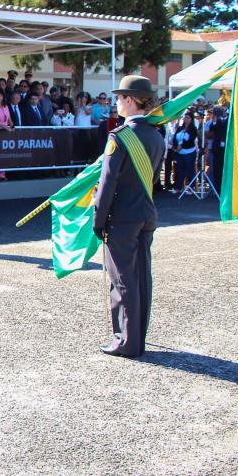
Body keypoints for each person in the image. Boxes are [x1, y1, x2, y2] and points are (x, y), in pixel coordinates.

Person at [92, 76, 165, 358]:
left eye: (121, 97)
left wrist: (99, 220)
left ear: (131, 100)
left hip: (122, 217)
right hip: (146, 212)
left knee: (122, 281)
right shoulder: (157, 135)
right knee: (141, 278)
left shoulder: (120, 137)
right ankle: (138, 337)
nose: (117, 102)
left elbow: (108, 183)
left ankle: (126, 341)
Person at [173, 112, 198, 192]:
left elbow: (190, 140)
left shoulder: (193, 129)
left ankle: (191, 188)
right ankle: (179, 187)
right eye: (185, 117)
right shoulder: (180, 128)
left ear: (191, 119)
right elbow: (175, 138)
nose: (186, 119)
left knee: (190, 170)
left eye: (188, 118)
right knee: (180, 170)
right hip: (179, 153)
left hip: (189, 152)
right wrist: (176, 147)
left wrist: (181, 146)